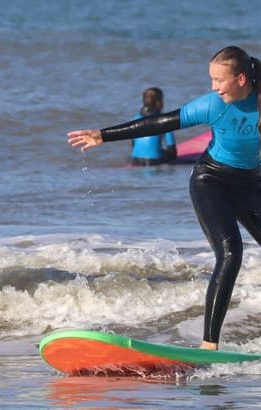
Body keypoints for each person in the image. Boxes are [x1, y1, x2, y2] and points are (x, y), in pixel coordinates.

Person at [67, 45, 261, 351]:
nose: (213, 86)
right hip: (212, 181)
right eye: (211, 79)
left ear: (240, 79)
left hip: (252, 183)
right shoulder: (213, 104)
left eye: (218, 80)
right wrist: (104, 135)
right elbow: (161, 122)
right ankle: (209, 345)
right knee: (230, 253)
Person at [129, 87, 177, 166]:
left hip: (134, 160)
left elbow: (133, 144)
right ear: (159, 102)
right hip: (153, 161)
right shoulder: (166, 120)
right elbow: (172, 151)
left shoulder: (136, 118)